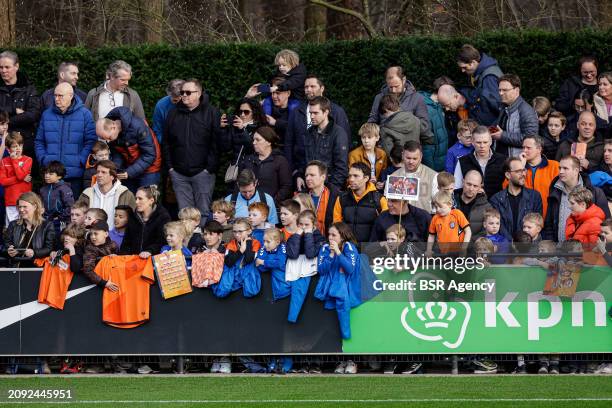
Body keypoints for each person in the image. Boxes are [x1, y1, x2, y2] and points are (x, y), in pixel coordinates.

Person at [164, 79, 220, 220]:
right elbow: (166, 142)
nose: (184, 95)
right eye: (182, 92)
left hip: (203, 173)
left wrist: (209, 168)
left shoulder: (212, 113)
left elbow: (217, 143)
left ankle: (202, 242)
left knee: (203, 213)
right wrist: (171, 168)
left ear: (199, 93)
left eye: (188, 92)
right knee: (185, 215)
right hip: (179, 174)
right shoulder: (172, 114)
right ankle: (187, 242)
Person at [35, 82, 97, 197]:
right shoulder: (47, 114)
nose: (57, 99)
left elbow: (91, 141)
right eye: (55, 95)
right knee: (50, 210)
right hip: (51, 173)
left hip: (74, 174)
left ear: (71, 96)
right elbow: (39, 141)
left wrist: (81, 160)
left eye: (60, 96)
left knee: (74, 211)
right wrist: (43, 159)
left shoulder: (85, 115)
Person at [284, 74, 350, 172]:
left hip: (329, 173)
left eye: (312, 86)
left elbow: (344, 141)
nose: (308, 90)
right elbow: (289, 142)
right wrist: (294, 171)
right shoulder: (296, 112)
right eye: (306, 87)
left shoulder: (336, 111)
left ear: (322, 88)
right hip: (302, 171)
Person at [543, 155, 610, 242]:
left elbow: (606, 223)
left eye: (565, 168)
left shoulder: (595, 193)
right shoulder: (555, 190)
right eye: (560, 168)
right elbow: (549, 222)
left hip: (586, 250)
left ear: (576, 170)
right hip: (558, 250)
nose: (561, 171)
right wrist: (550, 243)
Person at [315, 222, 361, 347]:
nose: (330, 238)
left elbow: (350, 269)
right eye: (329, 234)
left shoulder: (349, 246)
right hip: (328, 289)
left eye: (334, 235)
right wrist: (330, 255)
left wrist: (338, 253)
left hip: (345, 288)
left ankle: (346, 336)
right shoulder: (325, 248)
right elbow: (321, 270)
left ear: (342, 236)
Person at [97, 106, 161, 191]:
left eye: (109, 138)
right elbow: (117, 154)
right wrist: (116, 169)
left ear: (113, 127)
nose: (108, 141)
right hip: (130, 167)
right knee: (128, 198)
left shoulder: (138, 126)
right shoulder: (113, 135)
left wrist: (130, 172)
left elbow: (149, 155)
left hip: (150, 168)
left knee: (146, 200)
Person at [297, 96, 349, 190]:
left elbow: (341, 168)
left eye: (315, 113)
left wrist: (331, 190)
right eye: (310, 113)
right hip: (309, 186)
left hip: (328, 187)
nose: (312, 116)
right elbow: (303, 158)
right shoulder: (309, 132)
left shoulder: (338, 133)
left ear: (326, 112)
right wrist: (300, 175)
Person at [367, 66, 432, 141]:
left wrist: (398, 124)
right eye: (390, 87)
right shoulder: (379, 98)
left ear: (403, 80)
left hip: (409, 147)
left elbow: (425, 126)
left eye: (396, 86)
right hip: (385, 146)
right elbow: (372, 122)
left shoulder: (417, 98)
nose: (393, 90)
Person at [285, 210, 325, 323]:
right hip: (293, 269)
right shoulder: (294, 236)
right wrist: (297, 235)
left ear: (314, 225)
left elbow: (310, 254)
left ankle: (292, 317)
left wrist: (308, 234)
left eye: (307, 225)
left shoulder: (320, 238)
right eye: (300, 224)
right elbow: (292, 254)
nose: (303, 227)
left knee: (299, 292)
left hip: (309, 271)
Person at [490, 157, 543, 239]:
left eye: (524, 170)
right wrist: (511, 244)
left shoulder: (534, 197)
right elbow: (498, 227)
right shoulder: (496, 200)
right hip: (504, 247)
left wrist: (522, 242)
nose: (523, 174)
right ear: (508, 175)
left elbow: (537, 224)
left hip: (528, 247)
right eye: (518, 171)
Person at [333, 162, 388, 242]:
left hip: (371, 249)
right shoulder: (341, 198)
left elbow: (385, 226)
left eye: (356, 176)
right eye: (350, 176)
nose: (351, 179)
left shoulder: (379, 199)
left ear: (366, 178)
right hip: (347, 247)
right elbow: (337, 225)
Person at [0, 51, 41, 158]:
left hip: (25, 144)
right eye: (1, 67)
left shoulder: (29, 89)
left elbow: (33, 115)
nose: (3, 70)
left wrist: (6, 120)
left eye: (7, 67)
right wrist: (15, 111)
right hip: (2, 145)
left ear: (16, 66)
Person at [490, 74, 539, 157]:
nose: (501, 93)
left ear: (516, 90)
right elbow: (499, 128)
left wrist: (502, 136)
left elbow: (531, 140)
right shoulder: (504, 106)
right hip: (501, 159)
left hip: (516, 163)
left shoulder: (526, 111)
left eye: (505, 90)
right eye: (500, 90)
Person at [239, 126, 291, 202]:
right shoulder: (248, 160)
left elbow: (286, 186)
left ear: (269, 142)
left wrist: (272, 202)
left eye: (258, 140)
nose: (254, 142)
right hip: (249, 207)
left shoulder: (280, 161)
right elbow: (240, 183)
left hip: (271, 207)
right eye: (253, 140)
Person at [78, 160, 136, 229]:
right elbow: (79, 218)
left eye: (103, 172)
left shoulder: (126, 194)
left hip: (117, 238)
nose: (99, 175)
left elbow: (133, 220)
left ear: (112, 176)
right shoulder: (86, 194)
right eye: (98, 172)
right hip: (90, 237)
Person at [456, 44, 503, 126]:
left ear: (473, 62)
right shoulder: (480, 73)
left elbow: (497, 106)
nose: (462, 71)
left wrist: (492, 130)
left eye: (464, 67)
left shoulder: (489, 77)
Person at [454, 126, 506, 199]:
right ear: (472, 142)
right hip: (471, 206)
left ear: (491, 141)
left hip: (497, 205)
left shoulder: (502, 160)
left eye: (485, 142)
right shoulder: (463, 161)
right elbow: (457, 187)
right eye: (478, 142)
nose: (482, 146)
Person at [4, 192, 55, 267]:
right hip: (15, 267)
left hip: (38, 268)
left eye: (25, 207)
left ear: (34, 207)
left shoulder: (47, 225)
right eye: (20, 207)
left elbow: (50, 248)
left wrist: (34, 252)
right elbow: (4, 245)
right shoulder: (13, 225)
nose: (21, 210)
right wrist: (8, 250)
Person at [119, 185, 171, 258]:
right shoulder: (133, 217)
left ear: (151, 201)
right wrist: (121, 257)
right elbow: (126, 242)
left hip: (153, 261)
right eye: (136, 198)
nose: (136, 202)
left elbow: (163, 242)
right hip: (133, 261)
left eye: (140, 199)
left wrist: (150, 251)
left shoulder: (163, 217)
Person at [220, 98, 267, 173]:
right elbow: (225, 147)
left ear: (254, 112)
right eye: (240, 111)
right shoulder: (234, 126)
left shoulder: (260, 127)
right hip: (236, 168)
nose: (242, 115)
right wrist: (223, 129)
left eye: (246, 112)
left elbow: (253, 148)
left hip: (253, 168)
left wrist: (242, 130)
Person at [518, 135, 560, 218]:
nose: (524, 151)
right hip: (524, 219)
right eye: (523, 147)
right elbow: (507, 187)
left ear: (539, 149)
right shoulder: (517, 166)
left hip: (548, 218)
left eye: (528, 148)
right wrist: (520, 168)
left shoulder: (555, 166)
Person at [392, 140, 438, 213]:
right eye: (408, 158)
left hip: (425, 221)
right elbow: (390, 204)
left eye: (414, 159)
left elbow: (438, 205)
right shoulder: (394, 177)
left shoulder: (433, 176)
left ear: (421, 157)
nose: (411, 162)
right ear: (402, 155)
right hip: (400, 222)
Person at [0, 132, 33, 225]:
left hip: (26, 201)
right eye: (14, 146)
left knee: (26, 225)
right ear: (8, 149)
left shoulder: (28, 159)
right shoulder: (3, 161)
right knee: (11, 227)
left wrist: (14, 161)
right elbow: (3, 182)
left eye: (20, 145)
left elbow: (20, 175)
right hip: (11, 201)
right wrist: (22, 179)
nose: (18, 148)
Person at [377, 94, 424, 158]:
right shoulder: (415, 119)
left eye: (383, 113)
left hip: (398, 163)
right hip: (415, 159)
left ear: (386, 110)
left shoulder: (385, 129)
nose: (384, 117)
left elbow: (389, 153)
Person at [302, 160, 338, 237]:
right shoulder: (301, 196)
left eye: (312, 175)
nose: (308, 178)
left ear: (323, 177)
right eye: (306, 175)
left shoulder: (336, 196)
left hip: (327, 241)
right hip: (305, 239)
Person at [418, 85, 449, 172]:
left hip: (440, 162)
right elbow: (426, 142)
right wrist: (430, 170)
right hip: (433, 164)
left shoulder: (437, 105)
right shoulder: (427, 109)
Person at [40, 161, 74, 237]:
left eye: (50, 174)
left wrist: (58, 217)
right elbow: (40, 205)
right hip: (46, 221)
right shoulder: (43, 189)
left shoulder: (64, 189)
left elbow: (70, 207)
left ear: (59, 176)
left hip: (60, 221)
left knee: (59, 240)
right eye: (46, 173)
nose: (47, 176)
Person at [81, 220, 118, 289]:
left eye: (96, 234)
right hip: (100, 284)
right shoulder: (90, 248)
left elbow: (121, 261)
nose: (92, 237)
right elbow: (88, 270)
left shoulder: (113, 244)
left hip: (114, 280)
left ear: (106, 234)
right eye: (91, 234)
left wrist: (117, 258)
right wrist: (103, 283)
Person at [261, 77, 300, 142]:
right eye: (273, 93)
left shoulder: (297, 110)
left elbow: (298, 128)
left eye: (278, 93)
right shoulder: (266, 108)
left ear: (288, 93)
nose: (274, 96)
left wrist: (276, 123)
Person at [151, 79, 184, 144]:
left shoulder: (191, 104)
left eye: (181, 100)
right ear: (169, 94)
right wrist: (165, 144)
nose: (178, 103)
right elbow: (157, 129)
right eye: (175, 101)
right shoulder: (161, 105)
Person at [593, 72, 612, 139]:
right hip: (599, 140)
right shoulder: (593, 102)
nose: (601, 87)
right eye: (600, 84)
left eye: (605, 84)